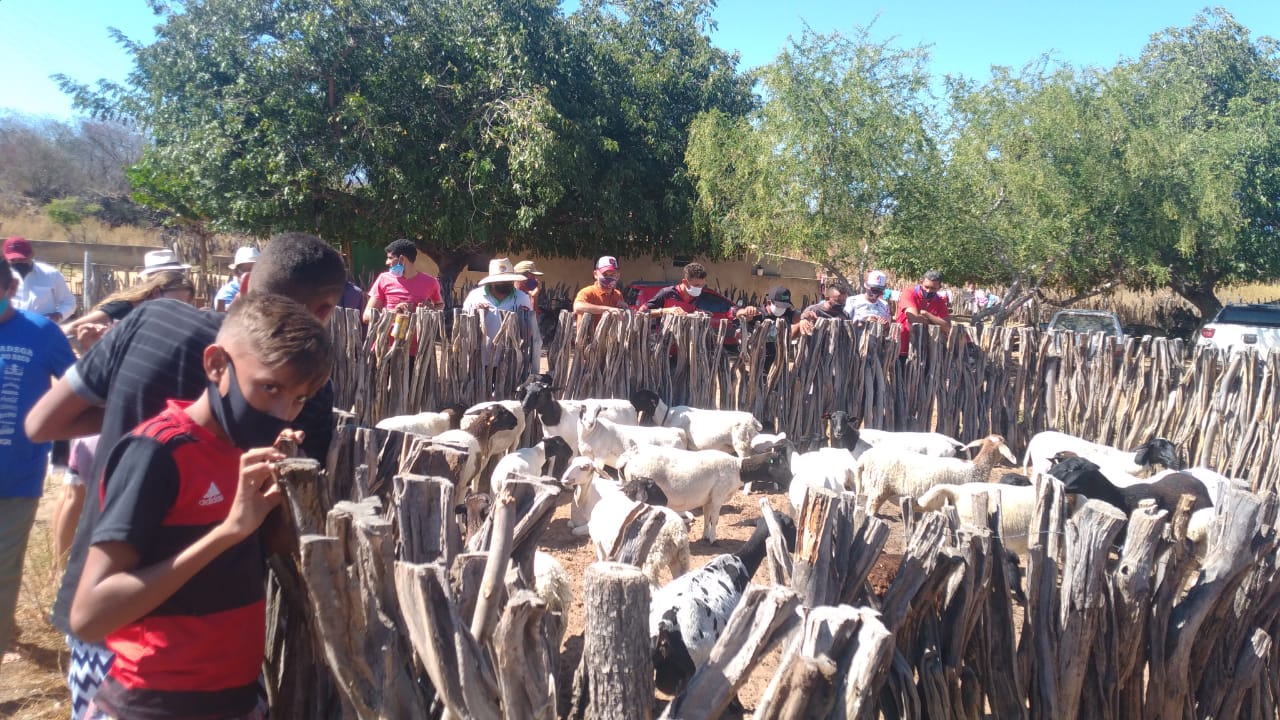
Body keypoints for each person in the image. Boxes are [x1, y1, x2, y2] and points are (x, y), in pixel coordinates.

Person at [25, 232, 346, 720]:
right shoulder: (158, 450)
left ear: (245, 284)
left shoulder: (151, 321)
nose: (285, 410)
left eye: (296, 399)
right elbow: (93, 615)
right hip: (141, 678)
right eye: (270, 389)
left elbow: (43, 422)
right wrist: (228, 529)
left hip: (218, 677)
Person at [0, 258, 76, 665]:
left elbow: (76, 383)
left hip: (16, 469)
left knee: (4, 562)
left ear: (9, 289)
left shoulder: (41, 333)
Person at [62, 271, 196, 353]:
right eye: (174, 301)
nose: (177, 308)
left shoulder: (167, 320)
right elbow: (72, 328)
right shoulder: (123, 308)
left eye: (183, 304)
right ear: (155, 292)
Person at [462, 258, 541, 370]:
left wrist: (522, 318)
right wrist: (477, 316)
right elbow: (464, 327)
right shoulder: (475, 296)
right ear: (492, 281)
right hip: (479, 357)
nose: (505, 283)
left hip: (508, 360)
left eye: (508, 280)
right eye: (501, 280)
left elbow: (529, 331)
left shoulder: (522, 298)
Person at [362, 238, 444, 324]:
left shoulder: (430, 282)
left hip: (420, 337)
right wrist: (393, 315)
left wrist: (431, 311)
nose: (387, 262)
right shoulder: (383, 279)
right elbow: (366, 316)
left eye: (390, 258)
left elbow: (440, 305)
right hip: (386, 337)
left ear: (402, 259)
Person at [5, 236, 76, 323]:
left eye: (21, 259)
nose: (18, 263)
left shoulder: (51, 274)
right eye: (13, 260)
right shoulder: (4, 277)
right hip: (11, 328)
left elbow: (69, 302)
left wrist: (58, 315)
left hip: (42, 329)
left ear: (31, 254)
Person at [642, 262, 731, 317]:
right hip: (665, 345)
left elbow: (688, 312)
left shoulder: (696, 297)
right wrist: (665, 311)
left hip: (686, 345)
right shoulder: (666, 293)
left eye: (702, 285)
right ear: (684, 282)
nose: (699, 289)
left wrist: (699, 312)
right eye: (696, 285)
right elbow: (641, 312)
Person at [896, 269, 952, 356]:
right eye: (926, 287)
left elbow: (948, 328)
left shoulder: (940, 301)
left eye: (933, 288)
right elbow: (913, 318)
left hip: (926, 350)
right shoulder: (909, 293)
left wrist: (927, 314)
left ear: (939, 288)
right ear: (921, 282)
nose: (929, 291)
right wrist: (936, 322)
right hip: (904, 347)